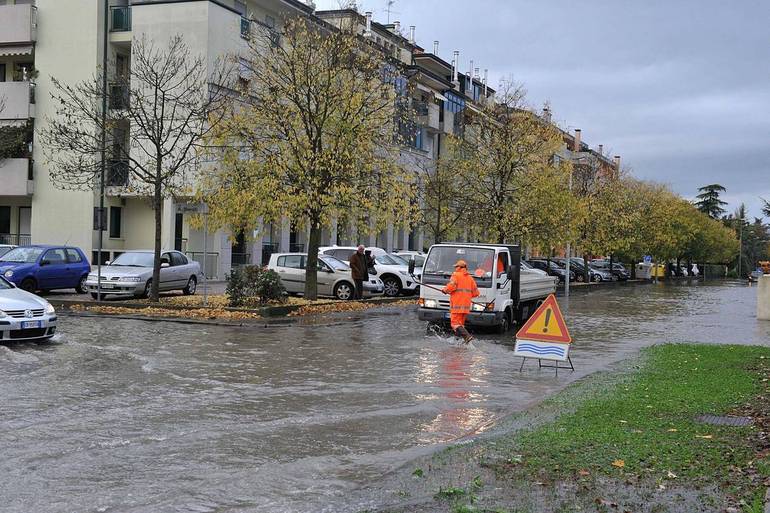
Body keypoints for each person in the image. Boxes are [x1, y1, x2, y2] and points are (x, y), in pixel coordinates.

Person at [442, 260, 479, 343]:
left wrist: (445, 290)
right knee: (460, 325)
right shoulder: (470, 278)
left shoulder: (456, 275)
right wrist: (466, 296)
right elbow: (476, 293)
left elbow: (451, 286)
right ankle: (459, 342)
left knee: (454, 324)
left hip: (457, 305)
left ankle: (467, 337)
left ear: (460, 267)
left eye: (456, 266)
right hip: (466, 306)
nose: (455, 268)